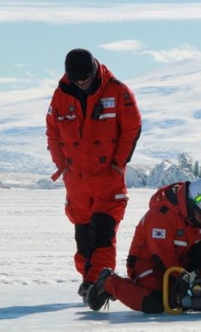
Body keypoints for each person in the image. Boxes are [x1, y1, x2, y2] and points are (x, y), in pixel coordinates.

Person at [46, 48, 142, 302]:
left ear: (94, 70)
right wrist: (62, 166)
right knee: (83, 241)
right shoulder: (60, 95)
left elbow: (132, 128)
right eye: (76, 79)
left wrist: (118, 165)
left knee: (102, 235)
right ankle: (90, 278)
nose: (80, 83)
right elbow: (52, 132)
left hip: (107, 180)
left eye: (85, 78)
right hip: (76, 184)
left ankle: (96, 283)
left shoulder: (117, 91)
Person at [86, 177, 201, 313]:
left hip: (179, 263)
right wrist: (183, 280)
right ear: (193, 203)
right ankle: (109, 282)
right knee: (155, 302)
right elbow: (162, 257)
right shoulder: (161, 215)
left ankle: (184, 290)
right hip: (149, 264)